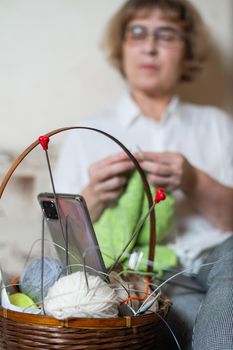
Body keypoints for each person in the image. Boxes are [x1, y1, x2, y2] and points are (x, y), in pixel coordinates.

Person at [54, 0, 233, 349]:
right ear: (122, 48)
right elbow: (62, 245)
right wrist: (95, 194)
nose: (150, 46)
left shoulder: (216, 124)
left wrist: (194, 181)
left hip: (219, 260)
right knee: (189, 321)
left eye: (165, 35)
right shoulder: (87, 132)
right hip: (148, 275)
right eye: (138, 33)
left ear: (187, 51)